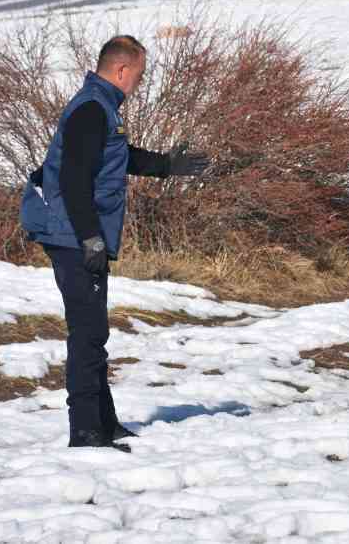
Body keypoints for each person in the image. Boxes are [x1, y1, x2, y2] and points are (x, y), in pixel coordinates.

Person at [20, 35, 209, 452]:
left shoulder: (99, 106)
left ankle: (103, 423)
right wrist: (89, 237)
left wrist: (167, 166)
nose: (140, 83)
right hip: (74, 237)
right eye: (139, 75)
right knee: (87, 333)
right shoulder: (91, 108)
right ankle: (85, 433)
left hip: (79, 235)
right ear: (122, 70)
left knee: (94, 332)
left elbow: (115, 156)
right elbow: (72, 179)